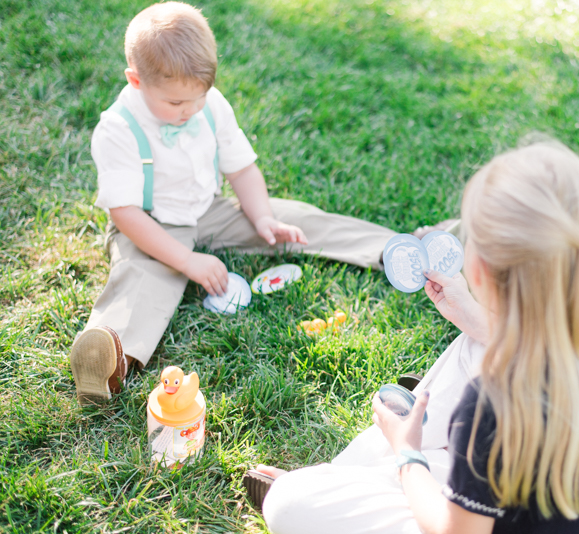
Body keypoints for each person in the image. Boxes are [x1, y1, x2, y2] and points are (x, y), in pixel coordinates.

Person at [248, 141, 579, 534]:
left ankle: (346, 482)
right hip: (529, 500)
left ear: (478, 268)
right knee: (478, 340)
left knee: (290, 505)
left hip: (468, 524)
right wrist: (471, 315)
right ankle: (363, 479)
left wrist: (407, 454)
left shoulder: (492, 403)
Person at [70, 2, 405, 405]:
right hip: (149, 224)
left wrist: (262, 217)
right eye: (176, 104)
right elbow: (124, 213)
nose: (189, 111)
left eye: (197, 99)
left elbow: (242, 169)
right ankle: (108, 357)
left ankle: (395, 247)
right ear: (136, 81)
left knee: (294, 220)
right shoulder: (118, 128)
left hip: (208, 209)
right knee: (144, 278)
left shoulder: (210, 105)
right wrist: (186, 260)